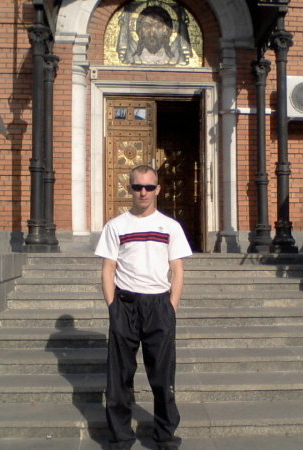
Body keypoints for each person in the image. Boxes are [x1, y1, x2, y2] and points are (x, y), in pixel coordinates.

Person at [95, 165, 192, 449]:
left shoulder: (170, 227)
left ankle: (165, 435)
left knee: (162, 376)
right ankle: (121, 436)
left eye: (149, 187)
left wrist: (171, 307)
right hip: (125, 305)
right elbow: (108, 268)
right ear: (129, 189)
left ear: (158, 189)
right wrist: (113, 307)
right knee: (119, 377)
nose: (143, 192)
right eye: (138, 187)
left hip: (159, 305)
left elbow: (178, 269)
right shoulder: (116, 226)